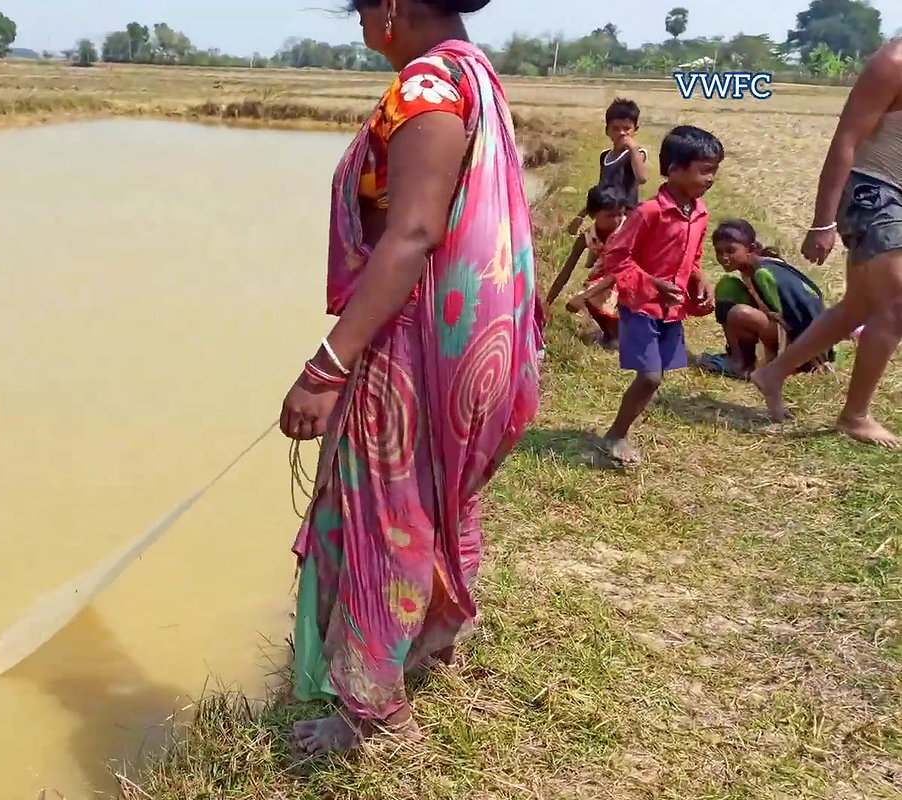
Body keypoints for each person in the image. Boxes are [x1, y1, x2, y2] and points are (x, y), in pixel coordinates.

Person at [277, 0, 540, 756]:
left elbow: (416, 231)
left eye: (360, 9)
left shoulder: (427, 86)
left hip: (416, 341)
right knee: (432, 498)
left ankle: (374, 714)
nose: (360, 26)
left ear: (391, 6)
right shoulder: (475, 75)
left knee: (381, 512)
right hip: (473, 340)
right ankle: (432, 640)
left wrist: (329, 364)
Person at [750, 40, 902, 447]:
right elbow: (846, 140)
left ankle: (773, 373)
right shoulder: (893, 63)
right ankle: (855, 416)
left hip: (898, 198)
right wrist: (823, 222)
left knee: (859, 305)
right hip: (874, 192)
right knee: (896, 304)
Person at [599, 125, 723, 465]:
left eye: (715, 170)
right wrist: (651, 283)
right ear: (674, 170)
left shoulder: (699, 214)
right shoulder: (649, 212)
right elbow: (616, 256)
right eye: (704, 170)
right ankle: (617, 434)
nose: (711, 178)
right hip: (641, 304)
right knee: (651, 376)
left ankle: (619, 431)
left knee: (655, 378)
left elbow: (693, 258)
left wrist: (701, 279)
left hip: (672, 309)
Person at [703, 219, 833, 378]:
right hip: (782, 335)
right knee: (727, 287)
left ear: (750, 249)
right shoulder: (749, 270)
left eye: (730, 250)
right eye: (719, 252)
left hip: (802, 345)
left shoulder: (764, 273)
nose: (724, 257)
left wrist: (816, 357)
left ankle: (742, 367)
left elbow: (803, 310)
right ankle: (739, 359)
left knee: (740, 314)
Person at [545, 184, 634, 347]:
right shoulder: (587, 237)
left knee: (593, 294)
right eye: (609, 216)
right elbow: (566, 272)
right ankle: (613, 333)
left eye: (620, 215)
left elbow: (621, 272)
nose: (616, 220)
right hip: (609, 275)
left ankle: (624, 332)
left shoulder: (628, 230)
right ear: (593, 215)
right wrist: (547, 303)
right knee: (592, 290)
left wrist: (583, 297)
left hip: (635, 274)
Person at [568, 98, 649, 235]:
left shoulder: (635, 154)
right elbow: (601, 191)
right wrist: (582, 214)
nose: (622, 133)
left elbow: (641, 178)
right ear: (607, 131)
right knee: (592, 246)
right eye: (616, 129)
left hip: (624, 217)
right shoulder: (605, 156)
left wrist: (633, 148)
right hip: (605, 217)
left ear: (635, 130)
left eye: (627, 128)